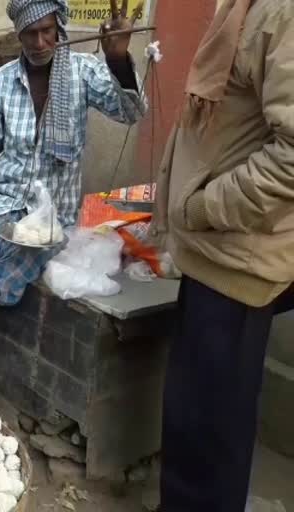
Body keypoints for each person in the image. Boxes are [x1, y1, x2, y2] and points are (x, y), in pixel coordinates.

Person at [0, 0, 147, 404]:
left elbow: (131, 112)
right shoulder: (2, 81)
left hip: (52, 220)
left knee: (6, 273)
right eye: (30, 33)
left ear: (60, 26)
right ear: (17, 35)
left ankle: (0, 282)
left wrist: (119, 58)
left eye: (47, 31)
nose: (40, 42)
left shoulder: (82, 72)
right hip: (4, 202)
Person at [152, 1, 294, 510]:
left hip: (238, 260)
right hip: (215, 255)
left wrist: (204, 205)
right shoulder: (245, 7)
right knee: (193, 429)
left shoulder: (280, 13)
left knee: (208, 444)